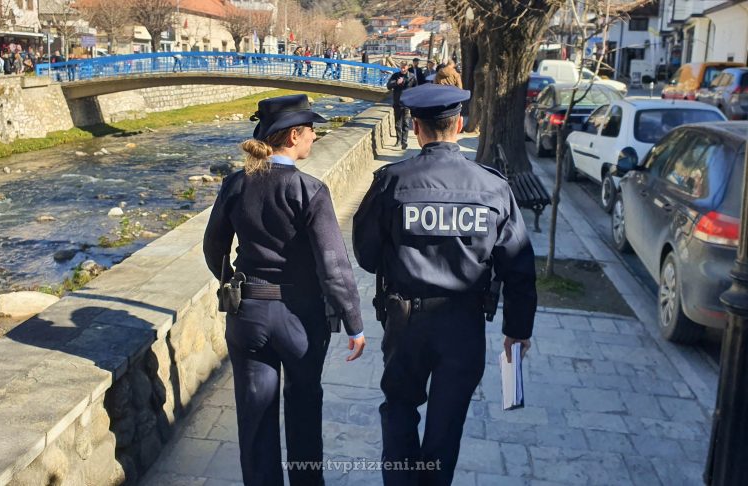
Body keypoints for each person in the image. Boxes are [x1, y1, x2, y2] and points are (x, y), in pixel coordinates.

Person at [352, 84, 537, 486]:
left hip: (406, 322)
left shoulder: (392, 181)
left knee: (400, 410)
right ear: (460, 125)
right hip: (464, 324)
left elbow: (366, 255)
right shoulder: (493, 186)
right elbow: (519, 265)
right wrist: (517, 330)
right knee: (447, 423)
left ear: (416, 128)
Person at [203, 94, 366, 486]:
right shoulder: (310, 189)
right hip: (300, 319)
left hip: (248, 317)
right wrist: (354, 322)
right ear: (294, 136)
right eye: (311, 130)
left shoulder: (235, 184)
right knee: (304, 410)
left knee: (255, 417)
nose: (315, 136)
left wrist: (234, 282)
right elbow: (334, 265)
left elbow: (213, 248)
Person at [386, 61, 416, 150]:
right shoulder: (395, 75)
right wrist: (396, 82)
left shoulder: (412, 77)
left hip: (407, 103)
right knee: (397, 123)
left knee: (406, 123)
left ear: (407, 67)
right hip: (397, 103)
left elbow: (416, 89)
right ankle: (398, 140)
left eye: (404, 67)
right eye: (401, 67)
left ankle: (404, 141)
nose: (402, 69)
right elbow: (388, 86)